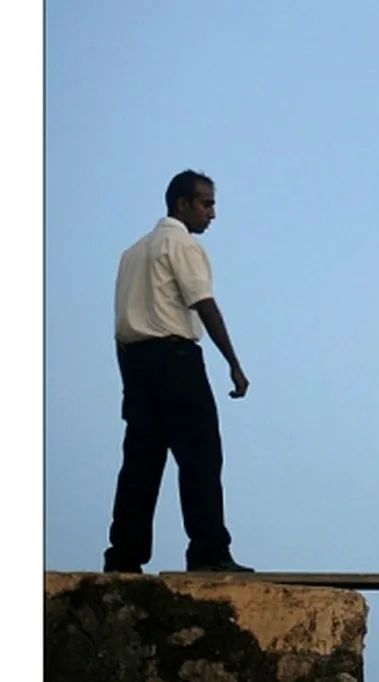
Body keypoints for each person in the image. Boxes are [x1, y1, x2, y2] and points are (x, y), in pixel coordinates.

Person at [104, 169, 252, 574]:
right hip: (175, 359)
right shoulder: (181, 243)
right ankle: (208, 551)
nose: (212, 214)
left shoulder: (132, 253)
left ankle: (124, 556)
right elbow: (203, 302)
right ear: (182, 204)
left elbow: (123, 323)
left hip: (136, 363)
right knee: (200, 456)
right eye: (206, 204)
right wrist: (233, 363)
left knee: (141, 462)